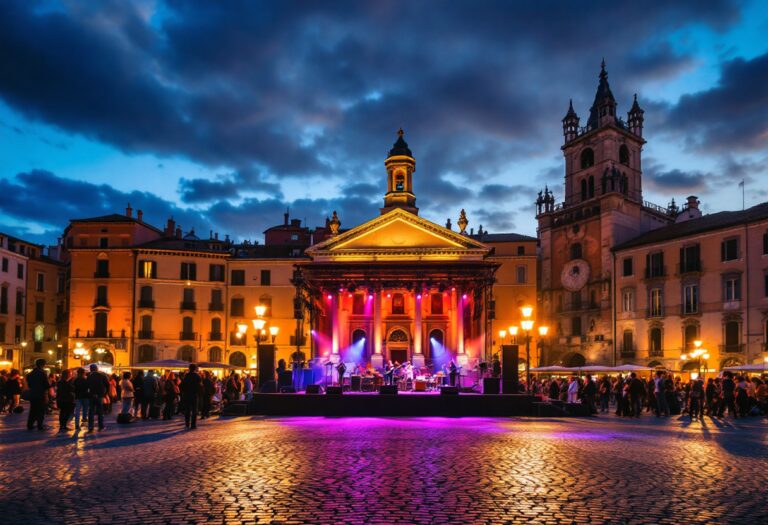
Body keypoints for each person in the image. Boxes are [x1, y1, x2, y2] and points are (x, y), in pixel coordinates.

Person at [26, 359, 49, 431]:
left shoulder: (31, 373)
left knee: (33, 410)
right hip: (40, 394)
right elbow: (46, 385)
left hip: (33, 394)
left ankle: (30, 424)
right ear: (43, 365)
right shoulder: (42, 373)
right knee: (41, 410)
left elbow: (29, 384)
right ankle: (40, 425)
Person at [86, 363, 110, 432]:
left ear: (90, 369)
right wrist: (105, 394)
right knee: (100, 411)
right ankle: (101, 426)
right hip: (100, 395)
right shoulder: (102, 375)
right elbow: (108, 385)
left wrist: (89, 394)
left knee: (91, 411)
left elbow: (87, 386)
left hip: (92, 396)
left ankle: (90, 427)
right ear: (97, 369)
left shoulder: (89, 376)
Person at [180, 364, 203, 429]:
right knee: (194, 410)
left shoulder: (186, 376)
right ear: (195, 368)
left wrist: (184, 392)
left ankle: (187, 424)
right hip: (194, 395)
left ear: (189, 368)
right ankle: (193, 425)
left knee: (187, 410)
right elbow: (200, 386)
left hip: (187, 395)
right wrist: (199, 393)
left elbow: (181, 385)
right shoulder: (197, 376)